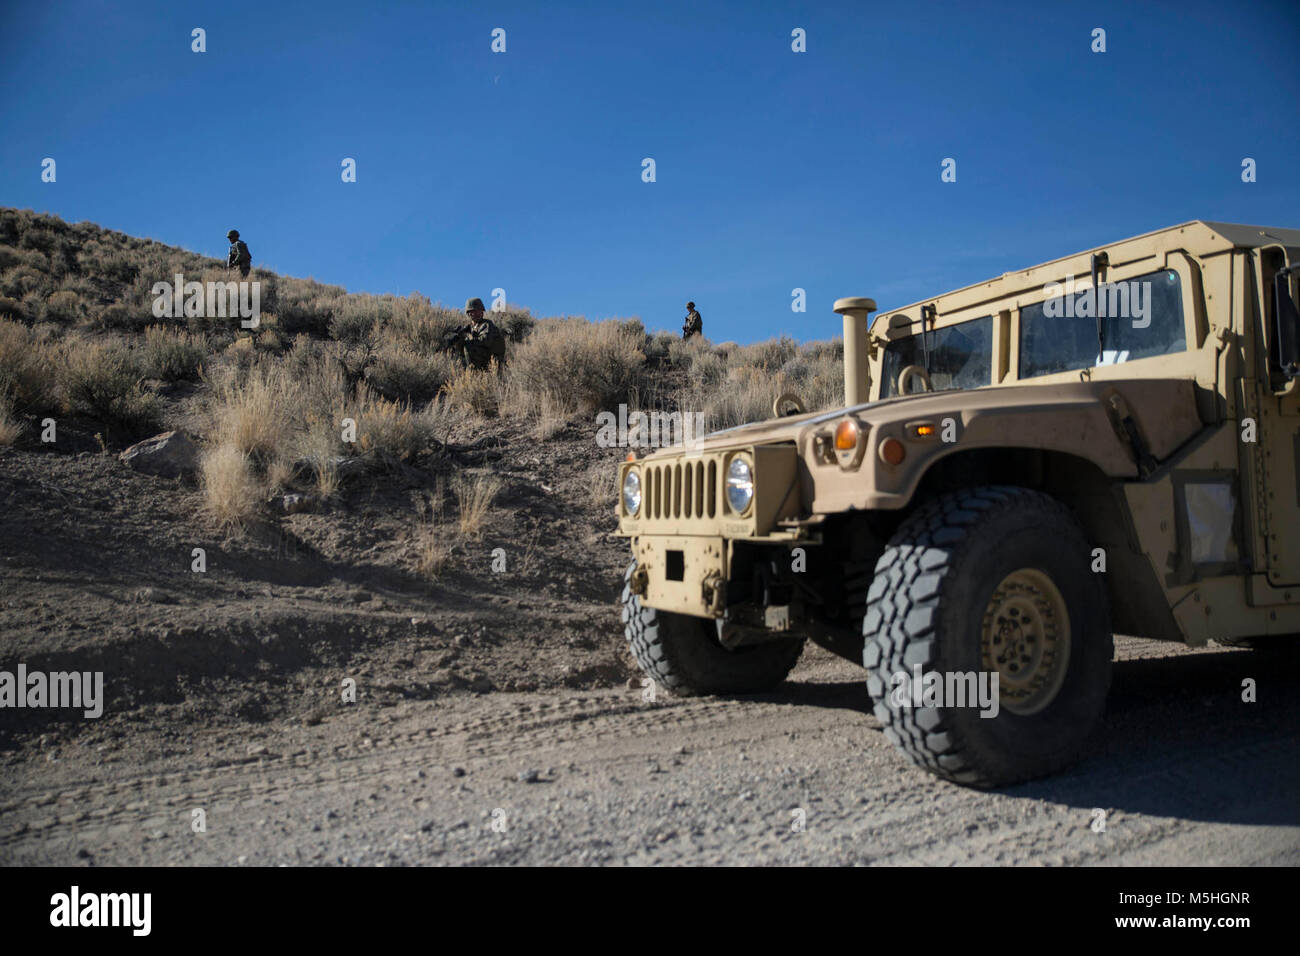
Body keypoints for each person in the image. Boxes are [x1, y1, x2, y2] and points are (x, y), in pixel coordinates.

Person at [451, 297, 507, 371]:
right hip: (482, 358)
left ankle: (472, 373)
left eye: (479, 311)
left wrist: (468, 339)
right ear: (469, 313)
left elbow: (486, 341)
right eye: (474, 312)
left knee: (468, 347)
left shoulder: (486, 324)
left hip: (493, 360)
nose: (477, 314)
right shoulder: (469, 327)